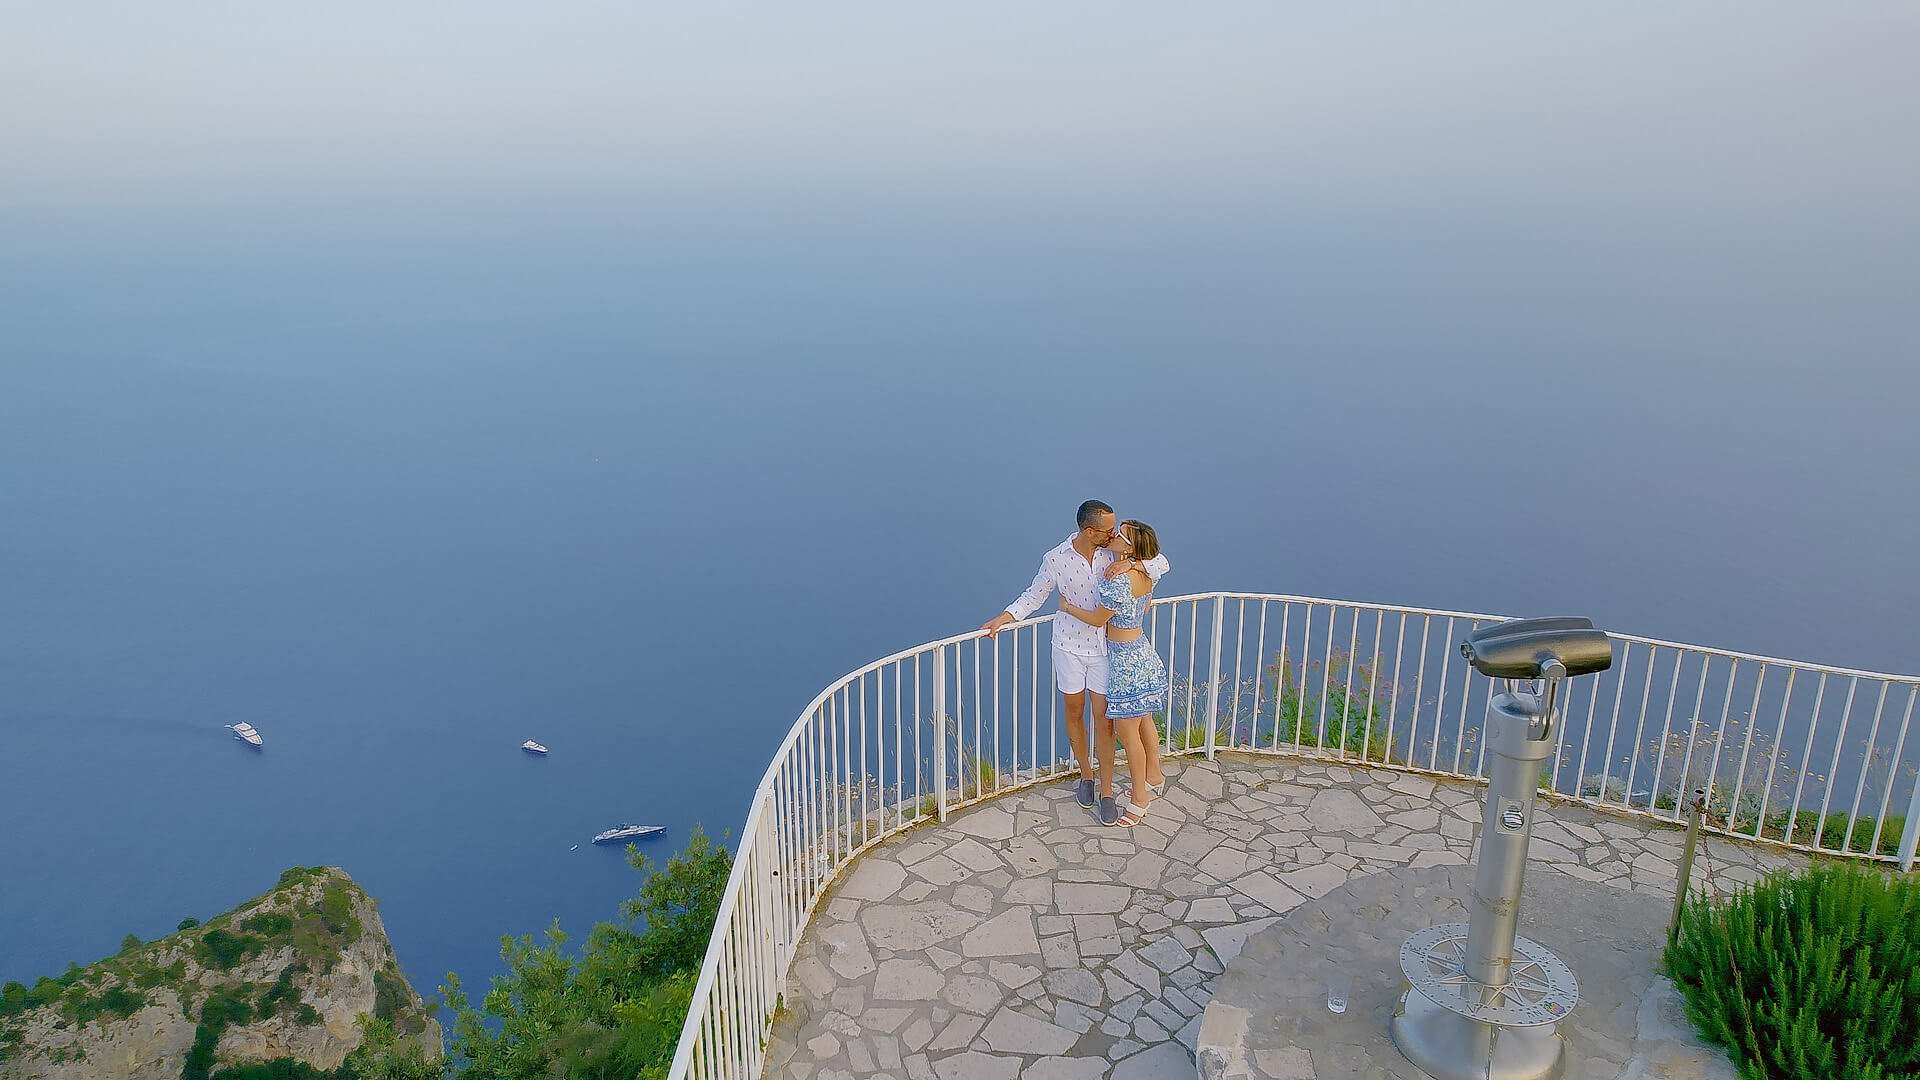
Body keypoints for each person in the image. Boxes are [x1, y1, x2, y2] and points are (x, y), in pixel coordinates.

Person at [980, 501, 1169, 821]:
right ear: (1090, 531)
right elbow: (1034, 594)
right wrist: (1005, 616)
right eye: (1109, 530)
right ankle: (1086, 775)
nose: (1113, 535)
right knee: (1074, 710)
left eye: (1115, 531)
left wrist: (1133, 565)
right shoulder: (1056, 559)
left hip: (1104, 651)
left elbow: (1158, 561)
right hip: (1068, 646)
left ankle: (1107, 790)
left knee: (1105, 720)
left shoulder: (1116, 554)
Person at [1057, 520, 1168, 826]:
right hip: (1142, 651)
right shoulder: (1146, 573)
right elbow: (1145, 602)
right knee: (1145, 720)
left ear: (1130, 546)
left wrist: (1067, 607)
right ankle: (1154, 776)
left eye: (1120, 535)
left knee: (1127, 734)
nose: (1113, 536)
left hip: (1124, 661)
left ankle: (1138, 800)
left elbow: (1096, 619)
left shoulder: (1120, 581)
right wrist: (1133, 563)